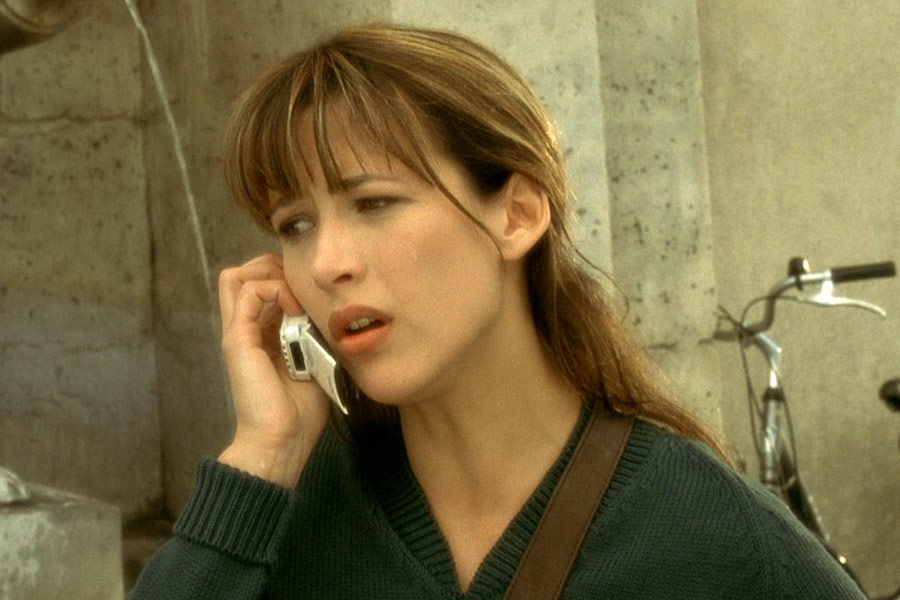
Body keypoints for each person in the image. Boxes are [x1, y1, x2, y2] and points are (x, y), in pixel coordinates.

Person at [129, 23, 865, 599]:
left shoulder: (714, 535)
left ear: (516, 215)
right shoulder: (278, 516)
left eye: (374, 203)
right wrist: (262, 457)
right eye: (295, 224)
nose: (326, 263)